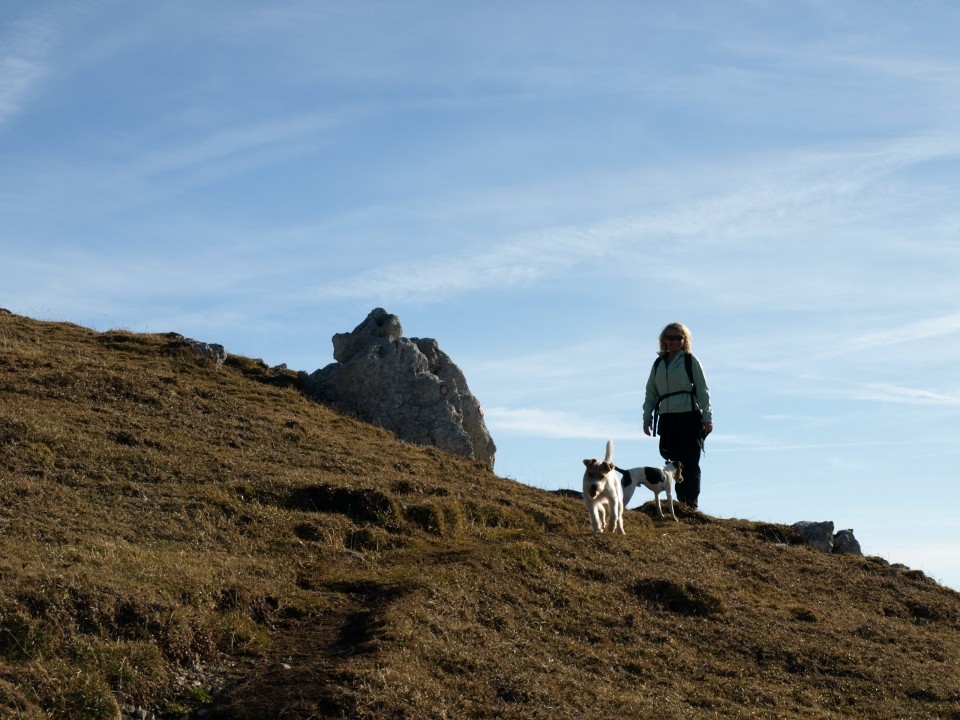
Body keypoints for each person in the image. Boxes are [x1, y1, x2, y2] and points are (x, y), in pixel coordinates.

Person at [642, 322, 713, 509]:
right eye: (670, 338)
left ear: (684, 340)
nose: (674, 341)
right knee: (672, 462)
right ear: (663, 340)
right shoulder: (658, 363)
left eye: (678, 338)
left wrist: (707, 417)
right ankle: (678, 503)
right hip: (666, 417)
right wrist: (647, 417)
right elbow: (651, 392)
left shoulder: (691, 361)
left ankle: (690, 504)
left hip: (688, 416)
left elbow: (703, 391)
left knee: (689, 461)